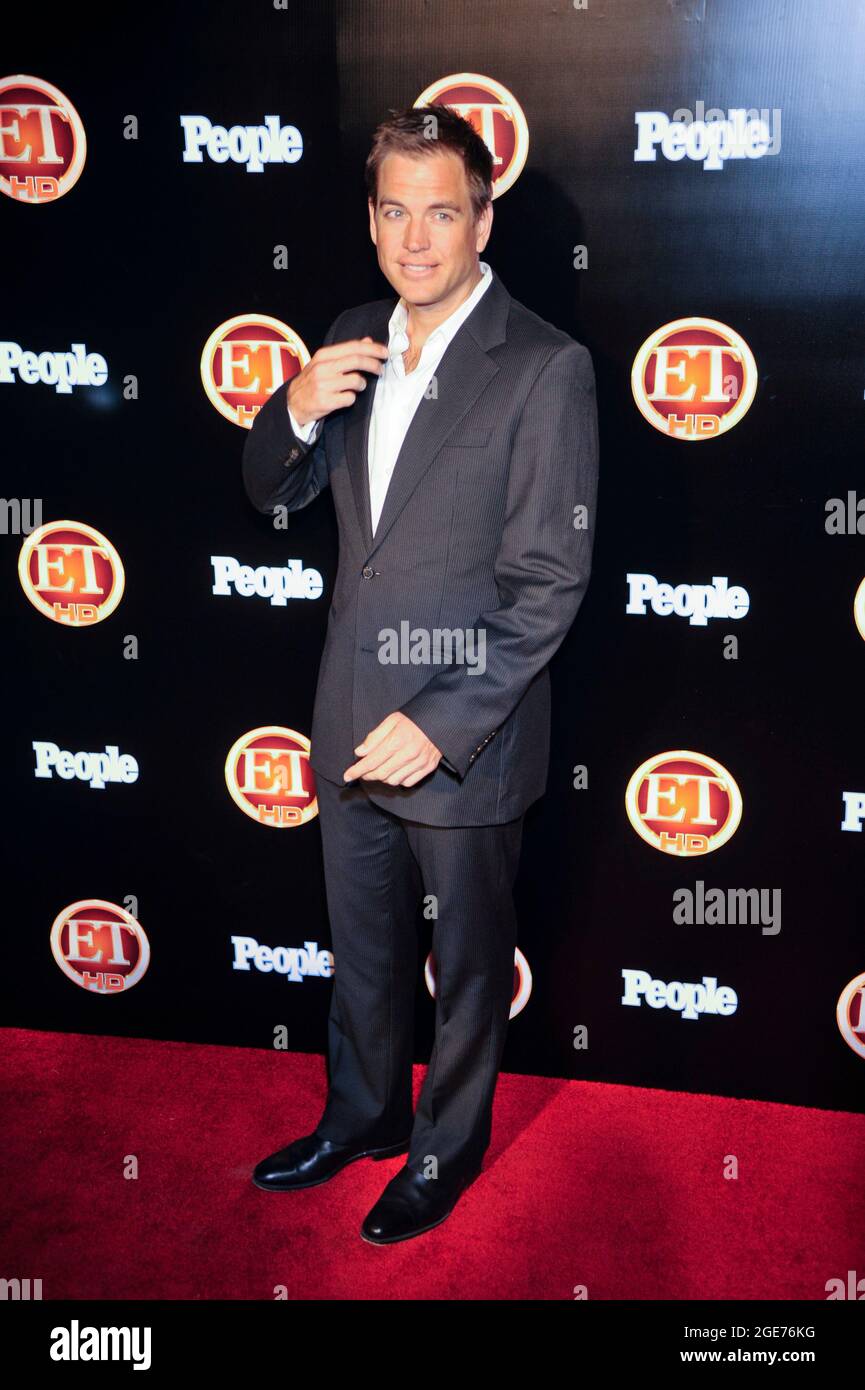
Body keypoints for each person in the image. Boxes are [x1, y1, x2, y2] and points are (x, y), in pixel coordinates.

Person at [242, 104, 599, 1244]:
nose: (414, 237)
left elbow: (547, 580)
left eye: (440, 212)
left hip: (461, 739)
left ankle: (445, 1151)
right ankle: (360, 1119)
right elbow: (272, 493)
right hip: (346, 716)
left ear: (481, 220)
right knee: (363, 948)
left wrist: (440, 723)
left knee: (467, 967)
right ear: (370, 217)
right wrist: (289, 410)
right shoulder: (350, 329)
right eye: (394, 210)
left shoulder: (546, 366)